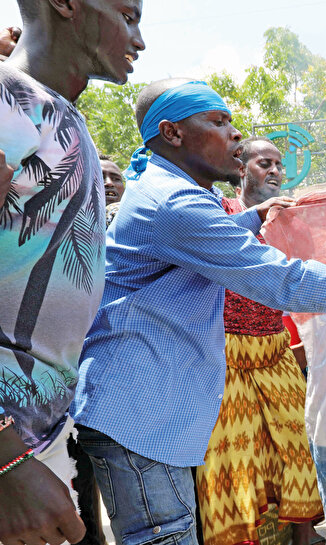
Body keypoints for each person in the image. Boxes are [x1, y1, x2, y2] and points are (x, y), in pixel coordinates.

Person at [72, 78, 326, 545]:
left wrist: (254, 215)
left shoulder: (174, 191)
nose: (234, 133)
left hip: (150, 404)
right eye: (218, 121)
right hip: (139, 411)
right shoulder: (173, 201)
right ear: (172, 133)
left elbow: (206, 236)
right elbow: (282, 281)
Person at [0, 2, 145, 545]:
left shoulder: (48, 110)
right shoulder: (8, 100)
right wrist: (6, 464)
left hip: (37, 442)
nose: (139, 39)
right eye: (127, 15)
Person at [194, 136, 324, 545]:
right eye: (263, 163)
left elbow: (321, 267)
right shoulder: (218, 210)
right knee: (233, 464)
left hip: (275, 349)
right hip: (224, 354)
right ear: (240, 169)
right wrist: (256, 215)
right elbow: (203, 245)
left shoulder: (290, 221)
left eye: (278, 165)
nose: (274, 171)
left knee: (296, 449)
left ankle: (305, 539)